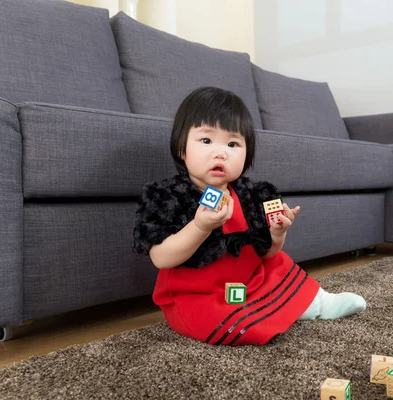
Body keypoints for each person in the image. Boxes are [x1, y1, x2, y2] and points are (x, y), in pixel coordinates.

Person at [133, 87, 366, 346]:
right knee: (235, 326)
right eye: (206, 141)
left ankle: (319, 301)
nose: (220, 153)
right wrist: (200, 226)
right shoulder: (169, 196)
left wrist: (277, 234)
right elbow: (161, 258)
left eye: (233, 144)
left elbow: (266, 253)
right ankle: (277, 311)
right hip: (197, 293)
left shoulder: (250, 194)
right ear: (181, 148)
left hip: (247, 279)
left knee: (279, 262)